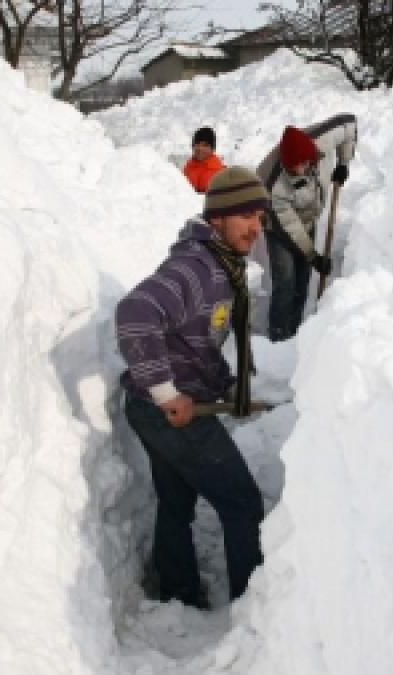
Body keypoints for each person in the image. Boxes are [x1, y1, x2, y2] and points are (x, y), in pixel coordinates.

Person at [114, 166, 268, 609]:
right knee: (241, 503)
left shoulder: (219, 265)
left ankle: (179, 591)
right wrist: (167, 394)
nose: (256, 228)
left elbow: (195, 343)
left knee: (176, 501)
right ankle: (253, 611)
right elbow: (136, 312)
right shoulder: (196, 268)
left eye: (260, 217)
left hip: (149, 406)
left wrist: (229, 387)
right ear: (218, 217)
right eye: (245, 216)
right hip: (171, 412)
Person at [256, 114, 357, 342]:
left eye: (302, 164)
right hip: (277, 224)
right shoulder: (275, 185)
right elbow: (289, 226)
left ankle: (296, 334)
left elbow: (349, 124)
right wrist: (313, 256)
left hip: (307, 217)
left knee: (302, 280)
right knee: (286, 282)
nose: (298, 170)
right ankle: (278, 339)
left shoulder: (322, 139)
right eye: (292, 168)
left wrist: (343, 163)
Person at [182, 126, 225, 194]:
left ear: (213, 149)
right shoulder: (188, 167)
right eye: (197, 144)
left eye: (205, 145)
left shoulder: (218, 172)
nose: (200, 148)